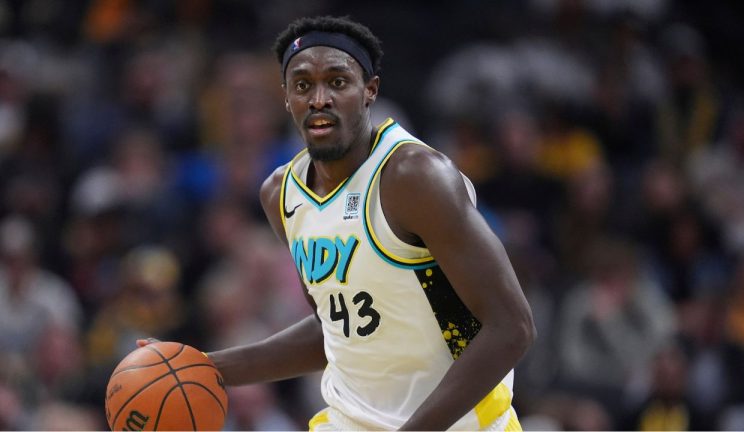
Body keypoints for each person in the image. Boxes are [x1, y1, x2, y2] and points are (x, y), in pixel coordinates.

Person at [140, 15, 535, 431]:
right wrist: (201, 369)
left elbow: (513, 327)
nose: (319, 98)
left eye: (338, 82)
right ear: (286, 98)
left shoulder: (413, 176)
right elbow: (336, 332)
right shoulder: (281, 195)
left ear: (370, 91)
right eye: (303, 85)